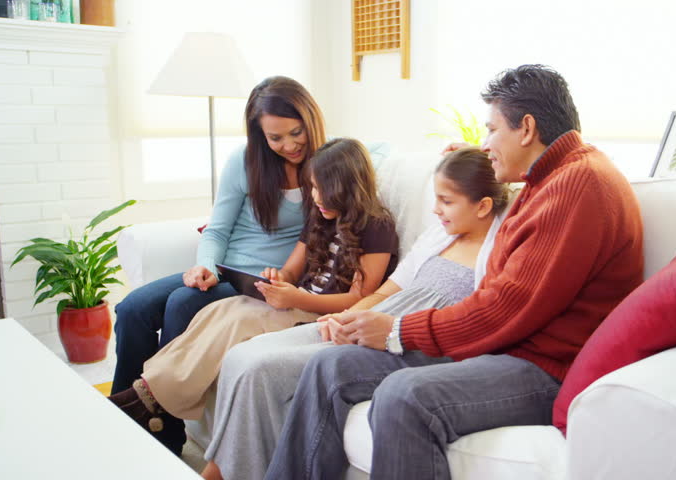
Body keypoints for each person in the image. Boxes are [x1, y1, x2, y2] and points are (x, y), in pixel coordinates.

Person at [265, 64, 646, 480]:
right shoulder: (547, 181)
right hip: (504, 348)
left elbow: (506, 307)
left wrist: (396, 330)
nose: (486, 143)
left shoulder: (578, 185)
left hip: (544, 367)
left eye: (492, 130)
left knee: (403, 395)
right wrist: (473, 162)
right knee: (329, 367)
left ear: (527, 128)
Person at [197, 147, 511, 480]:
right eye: (436, 199)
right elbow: (383, 292)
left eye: (446, 202)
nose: (435, 210)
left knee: (262, 370)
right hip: (370, 318)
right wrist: (346, 316)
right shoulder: (440, 235)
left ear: (483, 206)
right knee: (240, 357)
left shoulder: (499, 249)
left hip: (404, 336)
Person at [108, 137, 399, 442]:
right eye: (313, 187)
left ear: (350, 184)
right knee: (222, 309)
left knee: (241, 320)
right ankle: (147, 392)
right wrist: (277, 277)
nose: (317, 196)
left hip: (320, 316)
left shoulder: (377, 225)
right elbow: (291, 270)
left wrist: (295, 297)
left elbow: (360, 298)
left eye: (324, 188)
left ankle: (145, 401)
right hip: (297, 302)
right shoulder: (320, 215)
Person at [109, 76, 326, 454]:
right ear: (260, 136)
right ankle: (120, 424)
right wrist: (205, 265)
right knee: (132, 309)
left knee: (182, 304)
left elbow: (375, 151)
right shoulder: (245, 163)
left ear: (310, 120)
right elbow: (218, 229)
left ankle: (165, 434)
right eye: (275, 138)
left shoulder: (326, 166)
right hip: (227, 270)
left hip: (264, 282)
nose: (289, 145)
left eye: (296, 133)